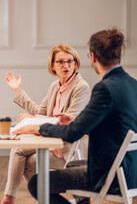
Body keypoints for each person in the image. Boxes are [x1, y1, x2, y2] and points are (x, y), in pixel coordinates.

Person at [15, 28, 137, 204]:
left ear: (93, 57)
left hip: (110, 175)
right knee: (74, 166)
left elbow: (72, 134)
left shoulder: (105, 88)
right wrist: (74, 120)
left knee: (37, 183)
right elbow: (116, 124)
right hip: (131, 170)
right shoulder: (132, 84)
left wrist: (38, 128)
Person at [2, 44, 91, 204]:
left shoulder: (81, 87)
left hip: (69, 151)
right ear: (53, 66)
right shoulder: (55, 87)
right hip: (52, 145)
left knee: (18, 149)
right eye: (61, 62)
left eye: (70, 61)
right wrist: (18, 90)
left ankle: (9, 199)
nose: (66, 65)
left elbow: (68, 124)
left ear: (76, 63)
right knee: (27, 163)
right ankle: (46, 199)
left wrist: (35, 120)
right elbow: (39, 113)